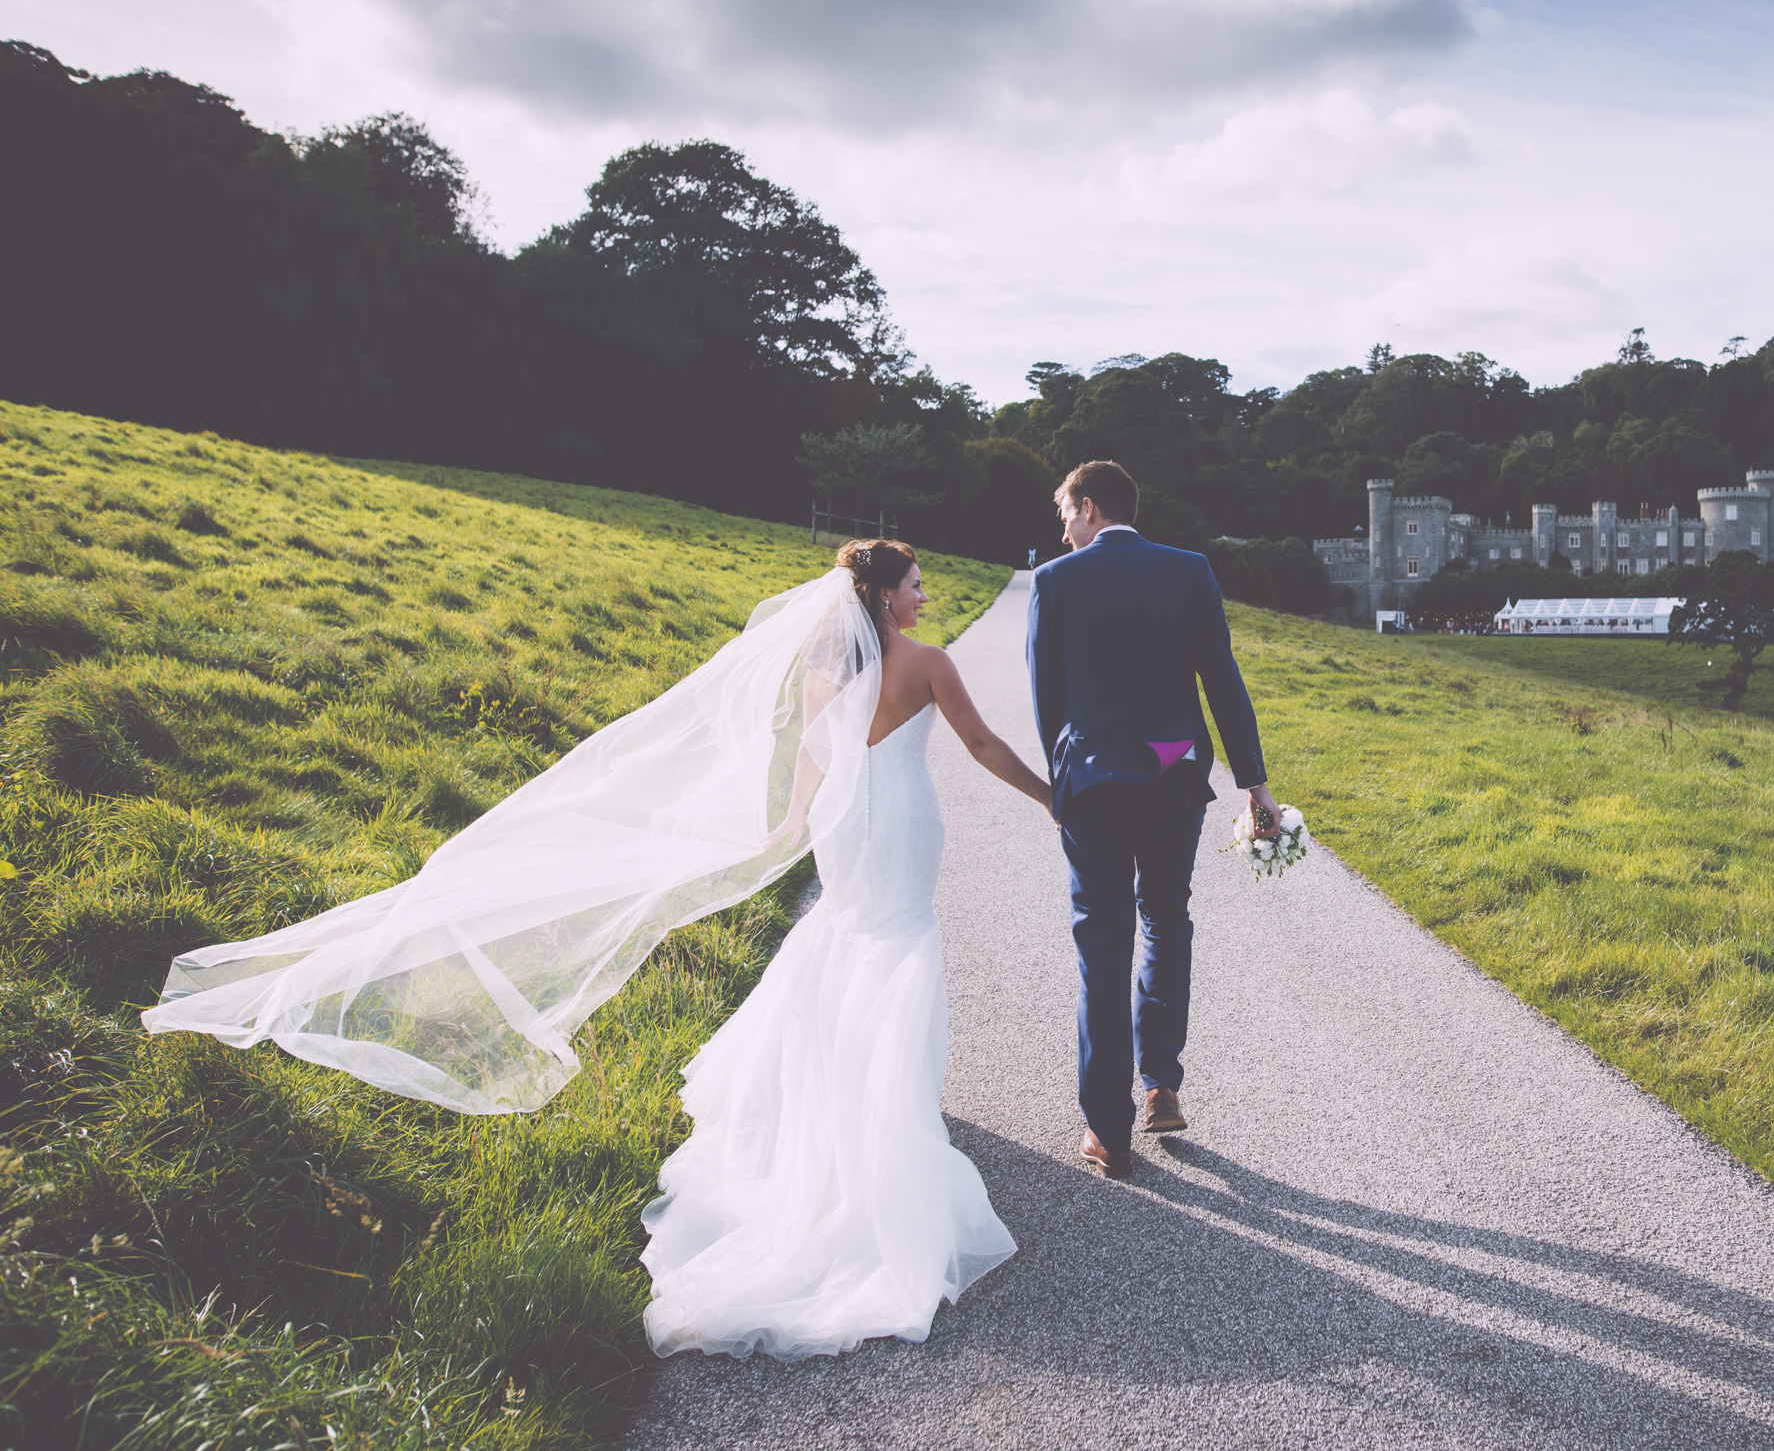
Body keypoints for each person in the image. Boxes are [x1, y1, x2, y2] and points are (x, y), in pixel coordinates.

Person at [142, 538, 1054, 1359]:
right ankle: (883, 1124)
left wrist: (787, 827)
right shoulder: (926, 664)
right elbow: (978, 742)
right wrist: (1052, 800)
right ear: (887, 597)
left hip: (842, 828)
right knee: (894, 943)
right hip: (898, 828)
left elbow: (813, 763)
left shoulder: (828, 667)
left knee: (844, 939)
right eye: (917, 585)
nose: (926, 596)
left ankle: (836, 1100)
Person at [1027, 460, 1278, 1179]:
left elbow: (1050, 700)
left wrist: (1060, 787)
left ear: (1090, 507)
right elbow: (1223, 683)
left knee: (1102, 942)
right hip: (1175, 776)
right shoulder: (1191, 571)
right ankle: (1161, 1083)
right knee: (1167, 918)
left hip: (1095, 785)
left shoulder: (1055, 582)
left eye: (1066, 516)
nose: (1064, 531)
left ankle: (1108, 1132)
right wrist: (1254, 785)